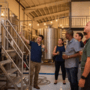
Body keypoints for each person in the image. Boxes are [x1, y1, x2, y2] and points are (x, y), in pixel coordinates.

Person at [78, 21, 90, 90]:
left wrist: (83, 78)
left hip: (88, 76)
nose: (85, 26)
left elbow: (89, 61)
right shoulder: (88, 41)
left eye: (87, 25)